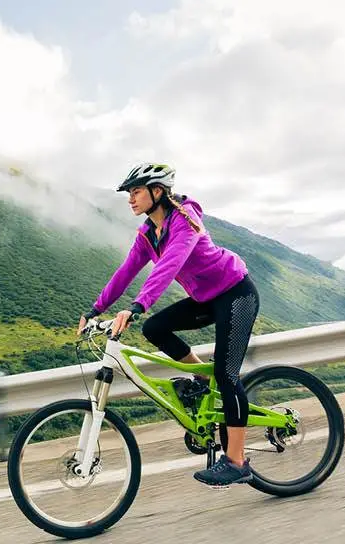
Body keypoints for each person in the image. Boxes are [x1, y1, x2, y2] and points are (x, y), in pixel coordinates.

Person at [77, 162, 261, 487]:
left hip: (235, 293)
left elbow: (170, 264)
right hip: (206, 299)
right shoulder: (148, 233)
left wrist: (136, 307)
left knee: (226, 374)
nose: (130, 199)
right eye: (129, 193)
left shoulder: (185, 220)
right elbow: (126, 272)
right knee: (155, 329)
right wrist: (95, 309)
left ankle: (236, 460)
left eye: (136, 192)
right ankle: (200, 381)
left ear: (157, 191)